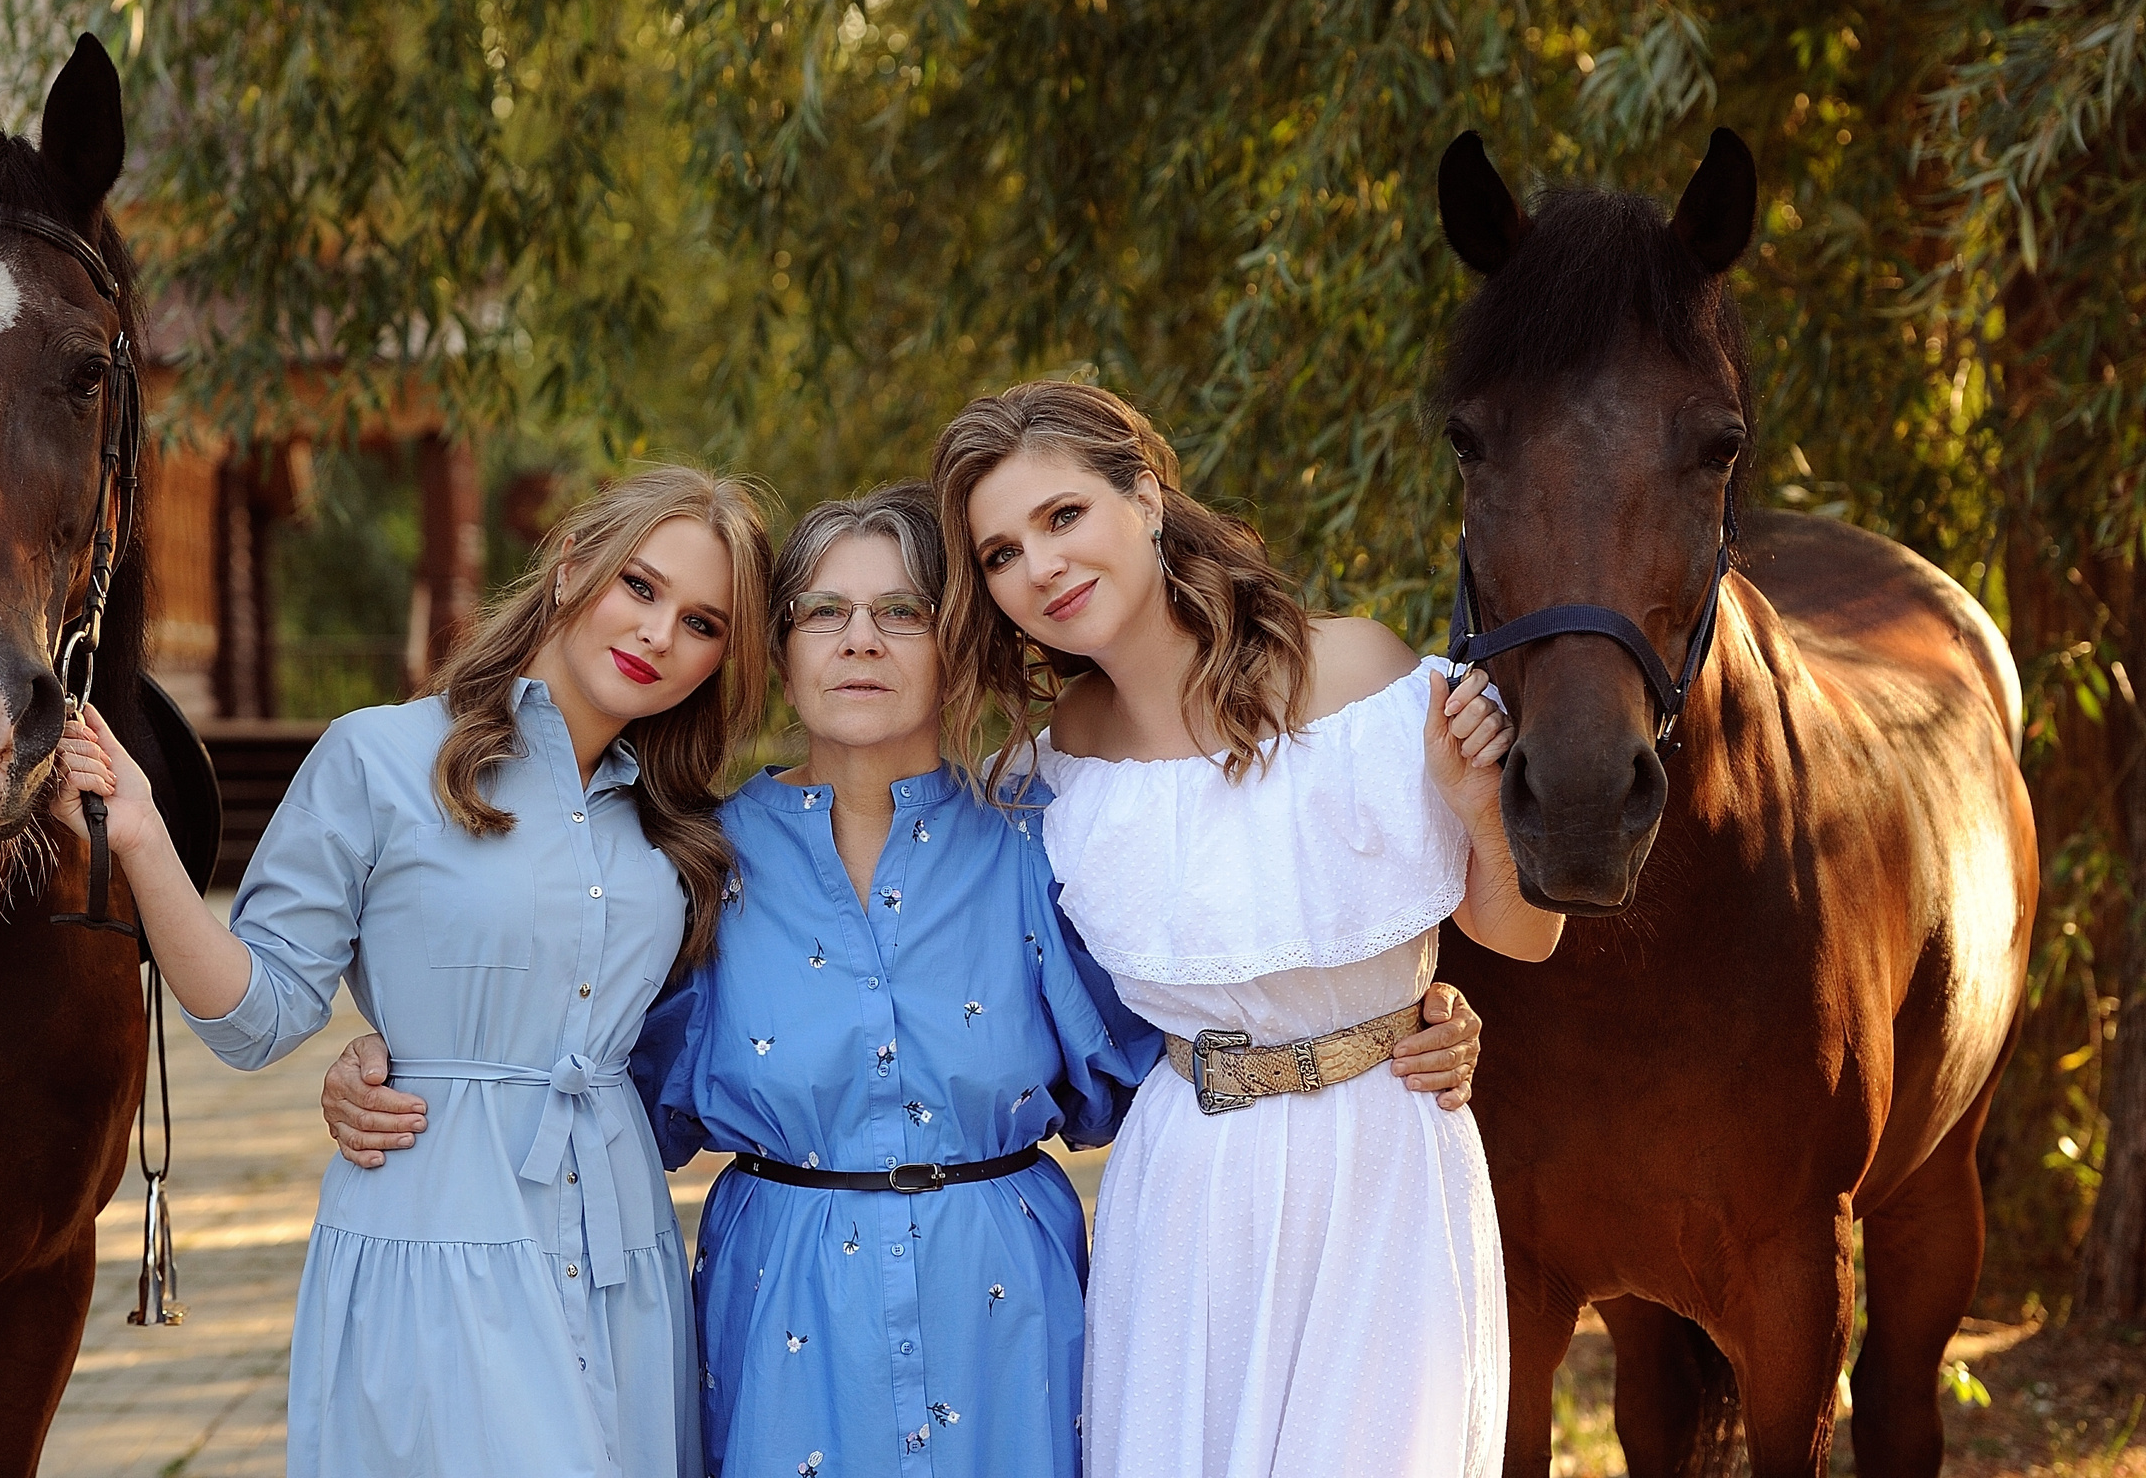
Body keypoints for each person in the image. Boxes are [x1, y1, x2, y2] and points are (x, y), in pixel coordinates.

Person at [320, 484, 1495, 1477]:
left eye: (900, 613)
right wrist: (394, 1057)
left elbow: (1207, 1021)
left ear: (958, 644)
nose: (859, 641)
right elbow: (570, 1060)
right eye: (820, 612)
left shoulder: (1051, 836)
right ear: (777, 649)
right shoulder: (697, 859)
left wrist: (1396, 1020)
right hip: (780, 1307)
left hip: (1010, 1315)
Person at [50, 465, 775, 1478]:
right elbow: (253, 1021)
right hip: (438, 1235)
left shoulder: (682, 827)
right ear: (571, 568)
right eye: (640, 587)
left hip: (622, 1258)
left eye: (704, 622)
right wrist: (140, 837)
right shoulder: (378, 759)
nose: (660, 634)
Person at [931, 381, 1554, 1478]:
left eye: (1063, 516)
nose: (1040, 566)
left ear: (1148, 499)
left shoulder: (1359, 675)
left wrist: (1475, 821)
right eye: (999, 553)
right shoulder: (1045, 776)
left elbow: (1522, 936)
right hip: (1185, 1183)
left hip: (1385, 1154)